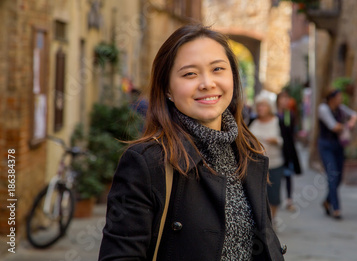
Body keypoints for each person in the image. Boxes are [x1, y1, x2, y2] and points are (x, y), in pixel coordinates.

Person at [99, 24, 286, 260]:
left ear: (233, 77)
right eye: (190, 74)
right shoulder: (147, 162)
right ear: (167, 88)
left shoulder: (248, 153)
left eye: (218, 69)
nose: (207, 83)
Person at [317, 89, 357, 220]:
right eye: (339, 97)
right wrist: (348, 125)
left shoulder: (340, 108)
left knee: (339, 177)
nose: (341, 99)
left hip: (338, 145)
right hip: (326, 145)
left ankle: (327, 201)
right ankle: (336, 208)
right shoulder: (323, 109)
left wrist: (351, 122)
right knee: (332, 174)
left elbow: (355, 115)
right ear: (331, 98)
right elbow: (333, 126)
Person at [248, 94, 283, 221]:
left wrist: (277, 140)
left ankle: (271, 222)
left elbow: (287, 142)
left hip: (274, 163)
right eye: (258, 106)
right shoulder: (253, 122)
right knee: (257, 196)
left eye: (263, 105)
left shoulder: (277, 121)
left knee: (273, 195)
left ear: (269, 107)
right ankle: (262, 222)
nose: (260, 108)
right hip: (255, 164)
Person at [276, 90, 302, 212]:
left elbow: (291, 132)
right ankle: (274, 200)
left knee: (288, 175)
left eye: (286, 98)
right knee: (275, 176)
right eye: (283, 98)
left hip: (287, 149)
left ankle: (289, 200)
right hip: (276, 149)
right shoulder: (274, 114)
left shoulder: (289, 115)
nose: (285, 101)